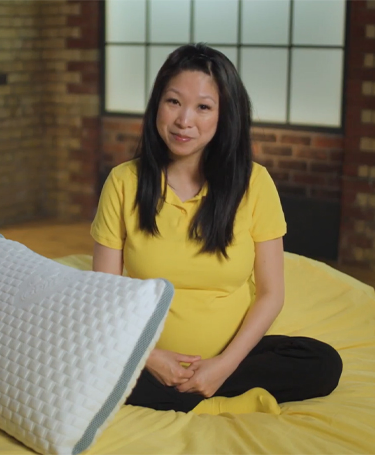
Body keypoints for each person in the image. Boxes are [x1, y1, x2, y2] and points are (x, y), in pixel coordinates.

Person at [90, 43, 342, 415]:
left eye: (203, 107)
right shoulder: (123, 182)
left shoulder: (254, 183)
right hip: (143, 357)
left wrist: (223, 366)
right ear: (156, 104)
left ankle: (199, 389)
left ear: (225, 116)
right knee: (84, 364)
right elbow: (103, 294)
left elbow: (271, 294)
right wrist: (151, 357)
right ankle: (191, 392)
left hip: (232, 357)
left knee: (323, 363)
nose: (184, 120)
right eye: (173, 102)